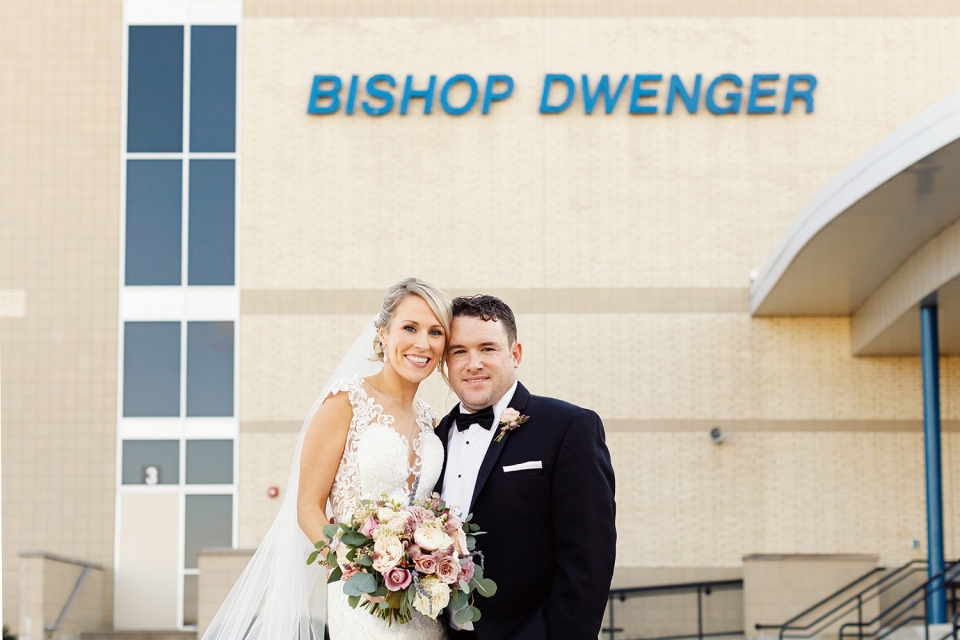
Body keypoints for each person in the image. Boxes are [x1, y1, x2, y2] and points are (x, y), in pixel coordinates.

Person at [202, 277, 453, 640]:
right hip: (363, 600)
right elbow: (308, 506)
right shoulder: (346, 401)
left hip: (423, 602)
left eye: (435, 332)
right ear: (383, 332)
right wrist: (359, 572)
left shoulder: (431, 419)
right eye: (410, 327)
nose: (422, 343)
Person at [437, 294, 617, 640]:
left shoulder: (568, 427)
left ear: (515, 354)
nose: (473, 363)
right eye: (459, 351)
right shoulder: (434, 439)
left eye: (487, 348)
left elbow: (589, 557)